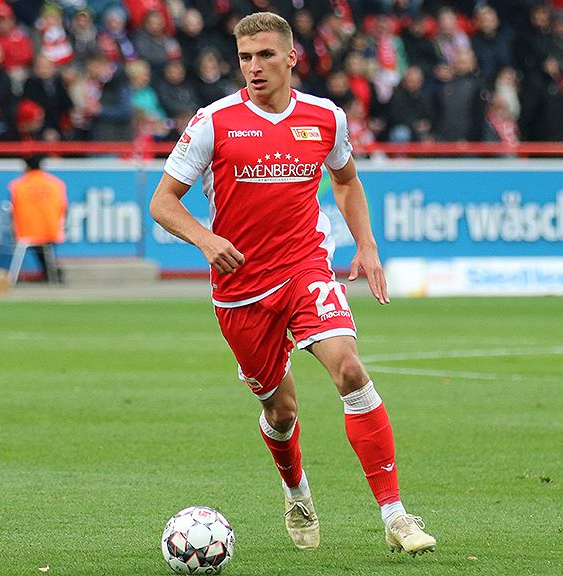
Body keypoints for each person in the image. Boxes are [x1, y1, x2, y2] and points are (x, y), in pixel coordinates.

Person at [149, 11, 436, 557]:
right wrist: (206, 240)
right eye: (245, 57)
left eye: (264, 55)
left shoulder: (325, 117)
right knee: (280, 412)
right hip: (240, 290)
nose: (254, 67)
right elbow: (162, 202)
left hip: (306, 268)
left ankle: (397, 516)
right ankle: (296, 489)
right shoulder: (214, 122)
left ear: (290, 57)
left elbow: (346, 180)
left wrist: (367, 244)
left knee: (350, 369)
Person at [8, 155, 67, 283]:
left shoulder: (18, 185)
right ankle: (50, 272)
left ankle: (49, 272)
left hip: (26, 231)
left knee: (39, 246)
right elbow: (63, 207)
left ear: (27, 167)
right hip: (51, 229)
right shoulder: (56, 184)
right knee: (45, 247)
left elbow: (13, 209)